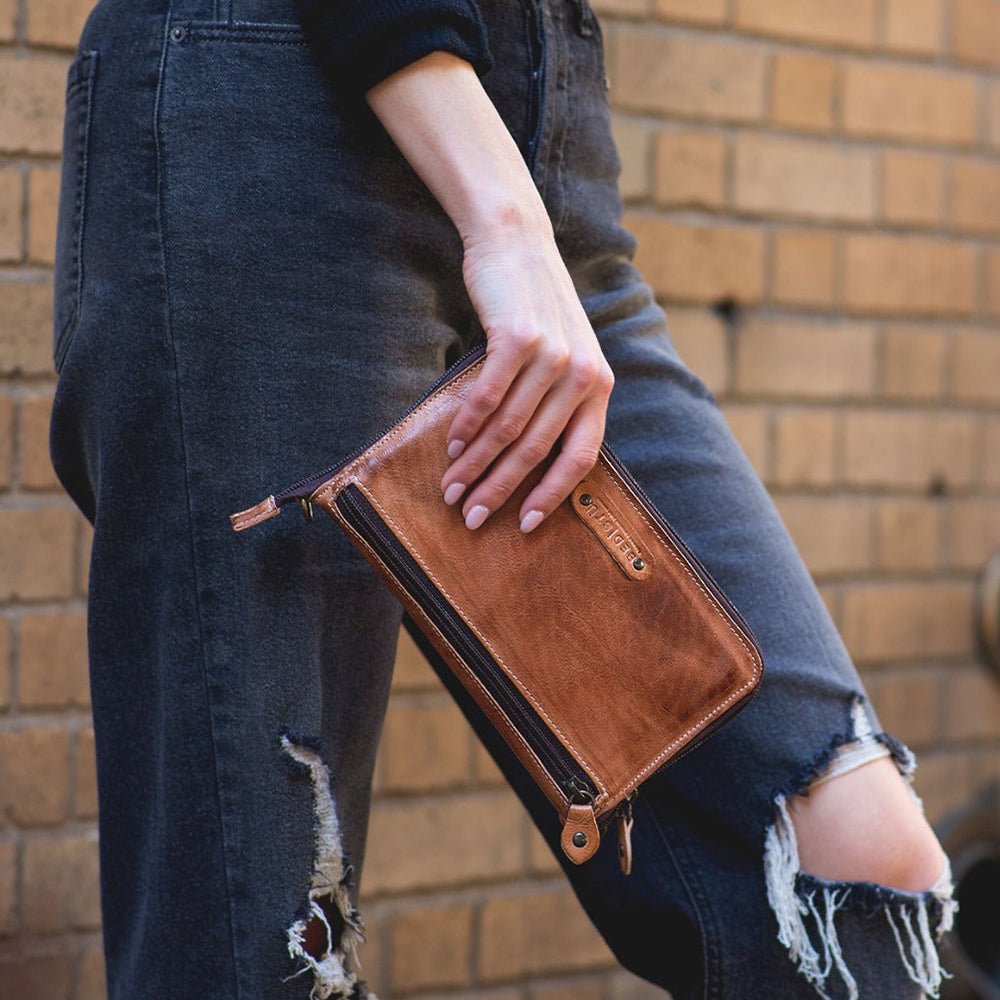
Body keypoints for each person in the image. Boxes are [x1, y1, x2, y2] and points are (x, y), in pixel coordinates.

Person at [49, 1, 955, 998]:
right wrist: (504, 224)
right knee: (266, 951)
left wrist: (520, 218)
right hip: (278, 121)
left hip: (542, 143)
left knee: (858, 866)